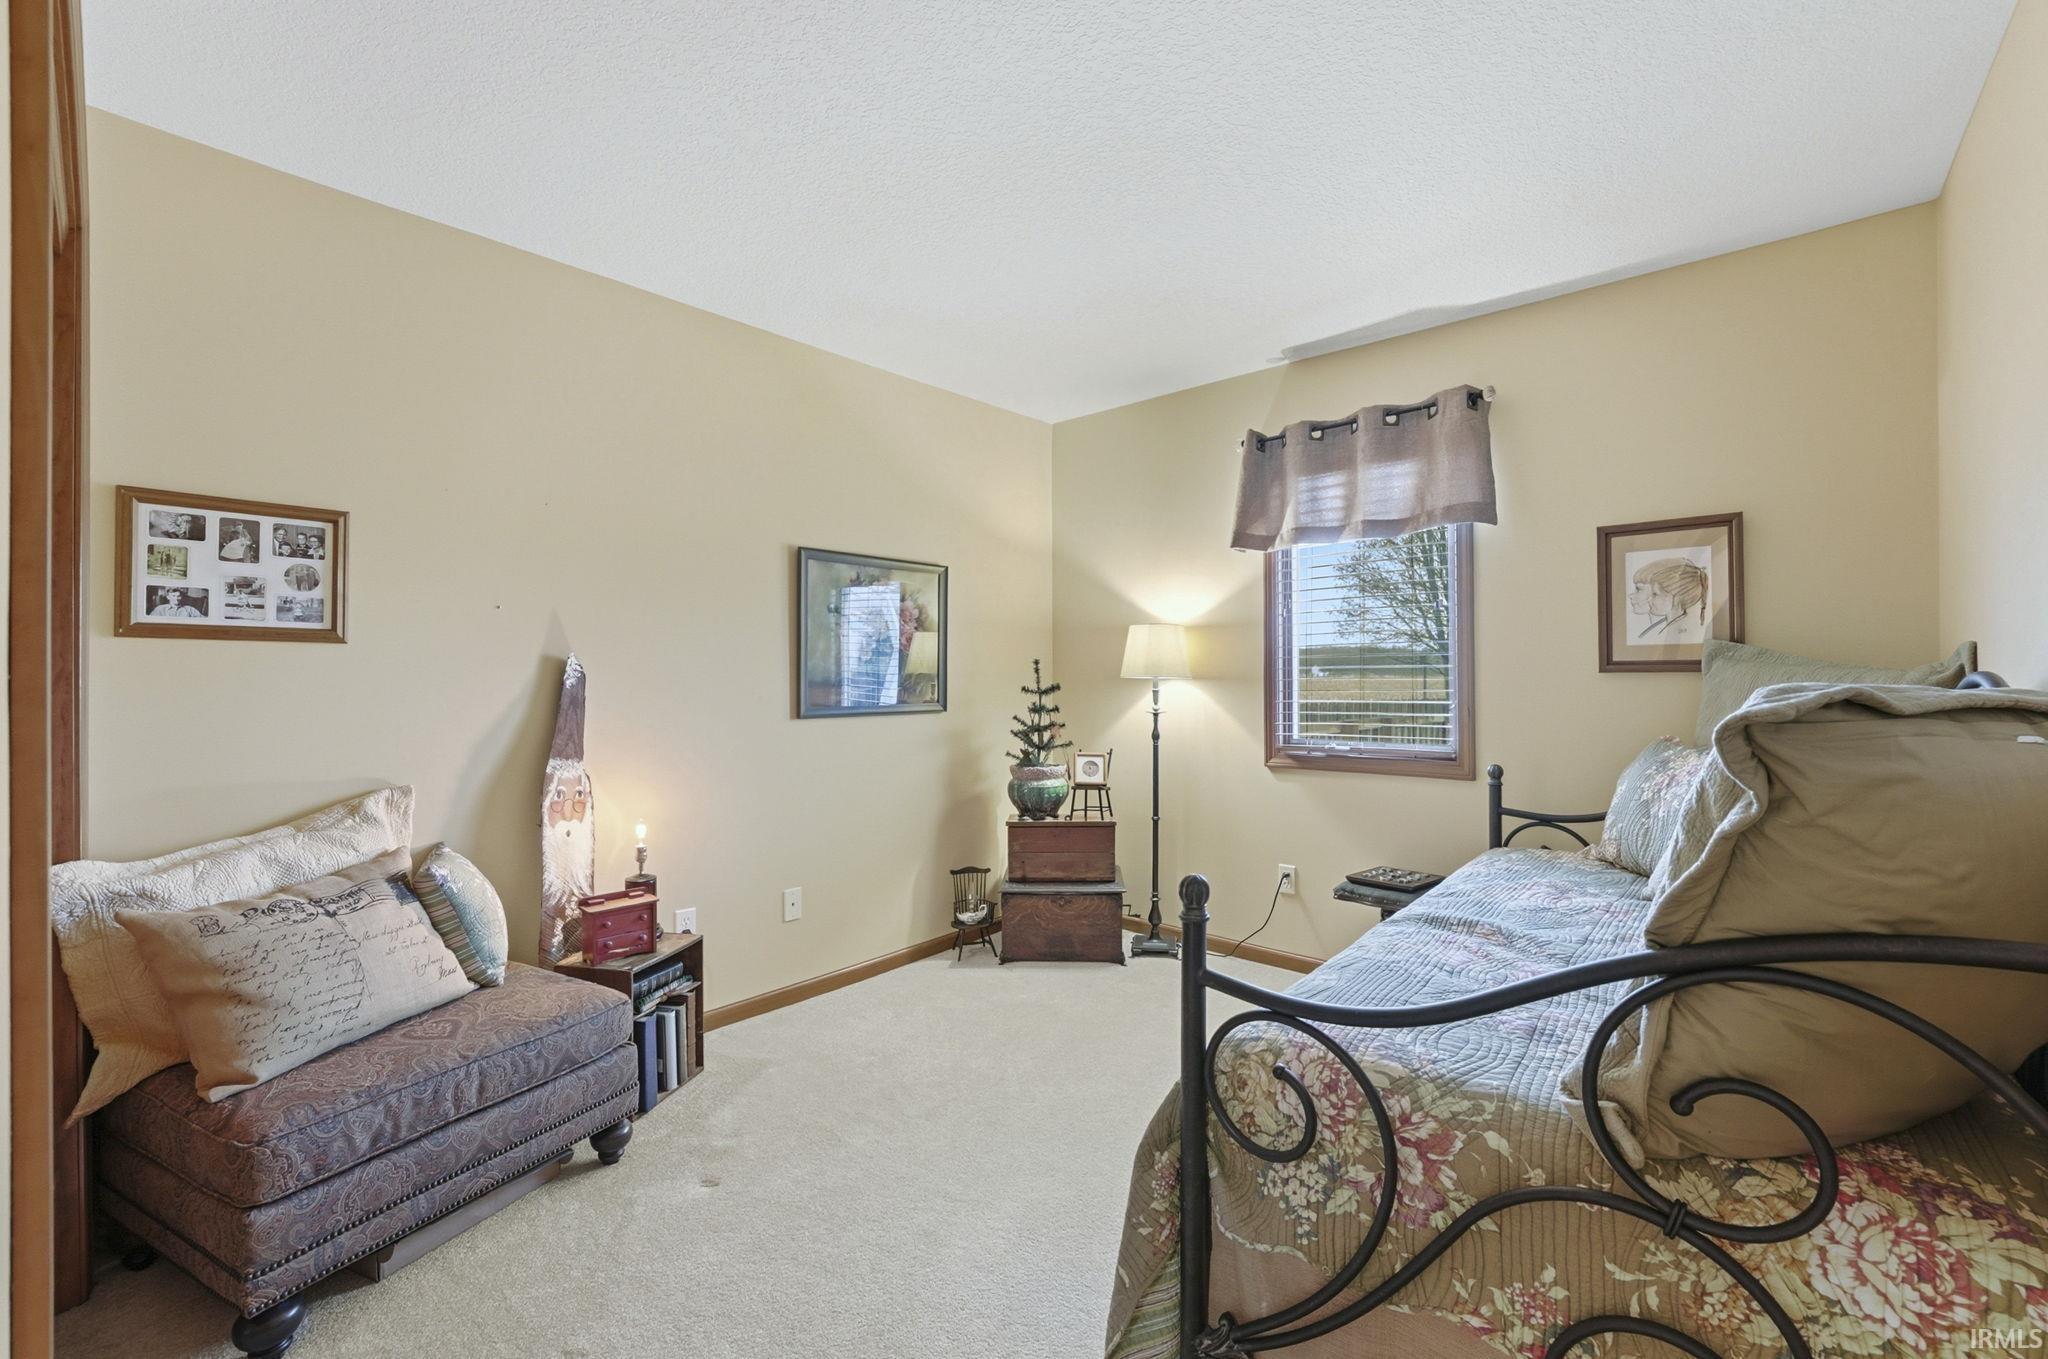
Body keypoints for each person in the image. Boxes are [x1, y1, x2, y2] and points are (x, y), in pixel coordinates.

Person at [1627, 556, 1710, 640]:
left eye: (1655, 594)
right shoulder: (1661, 628)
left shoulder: (1680, 632)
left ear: (1677, 597)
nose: (1650, 598)